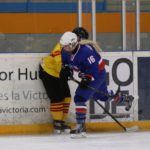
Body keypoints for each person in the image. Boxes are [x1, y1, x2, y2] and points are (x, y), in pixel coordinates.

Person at [59, 31, 134, 138]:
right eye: (63, 46)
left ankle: (81, 127)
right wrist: (66, 70)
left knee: (79, 97)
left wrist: (87, 79)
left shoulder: (86, 52)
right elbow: (66, 64)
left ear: (73, 44)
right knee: (101, 96)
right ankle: (125, 98)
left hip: (97, 73)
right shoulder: (64, 51)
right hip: (88, 73)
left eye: (66, 46)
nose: (64, 48)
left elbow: (93, 69)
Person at [39, 27, 89, 134]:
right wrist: (64, 69)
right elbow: (59, 60)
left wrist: (83, 74)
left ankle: (61, 121)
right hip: (48, 72)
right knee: (57, 97)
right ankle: (57, 123)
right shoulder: (63, 45)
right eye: (81, 39)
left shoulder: (78, 49)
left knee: (67, 97)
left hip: (59, 73)